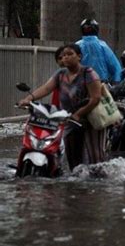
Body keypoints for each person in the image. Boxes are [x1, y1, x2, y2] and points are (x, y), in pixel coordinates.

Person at [18, 43, 104, 171]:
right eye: (63, 55)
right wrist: (29, 99)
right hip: (68, 120)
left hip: (89, 120)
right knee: (73, 158)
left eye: (70, 54)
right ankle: (75, 184)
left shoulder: (89, 73)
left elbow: (95, 98)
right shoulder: (60, 74)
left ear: (79, 56)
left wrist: (79, 114)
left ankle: (99, 183)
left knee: (95, 157)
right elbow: (46, 88)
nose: (66, 58)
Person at [76, 18, 122, 84]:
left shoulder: (77, 45)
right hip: (100, 83)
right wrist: (116, 81)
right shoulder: (102, 45)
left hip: (80, 83)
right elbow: (115, 66)